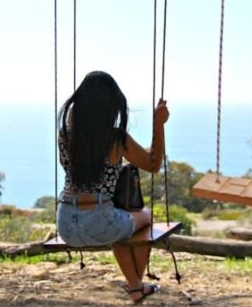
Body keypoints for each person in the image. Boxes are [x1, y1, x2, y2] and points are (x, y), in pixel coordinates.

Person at [56, 71, 169, 304]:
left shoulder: (65, 135)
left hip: (65, 222)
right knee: (144, 217)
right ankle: (136, 286)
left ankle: (137, 287)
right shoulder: (116, 138)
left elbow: (68, 167)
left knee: (122, 220)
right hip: (100, 222)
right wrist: (159, 124)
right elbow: (153, 164)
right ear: (111, 107)